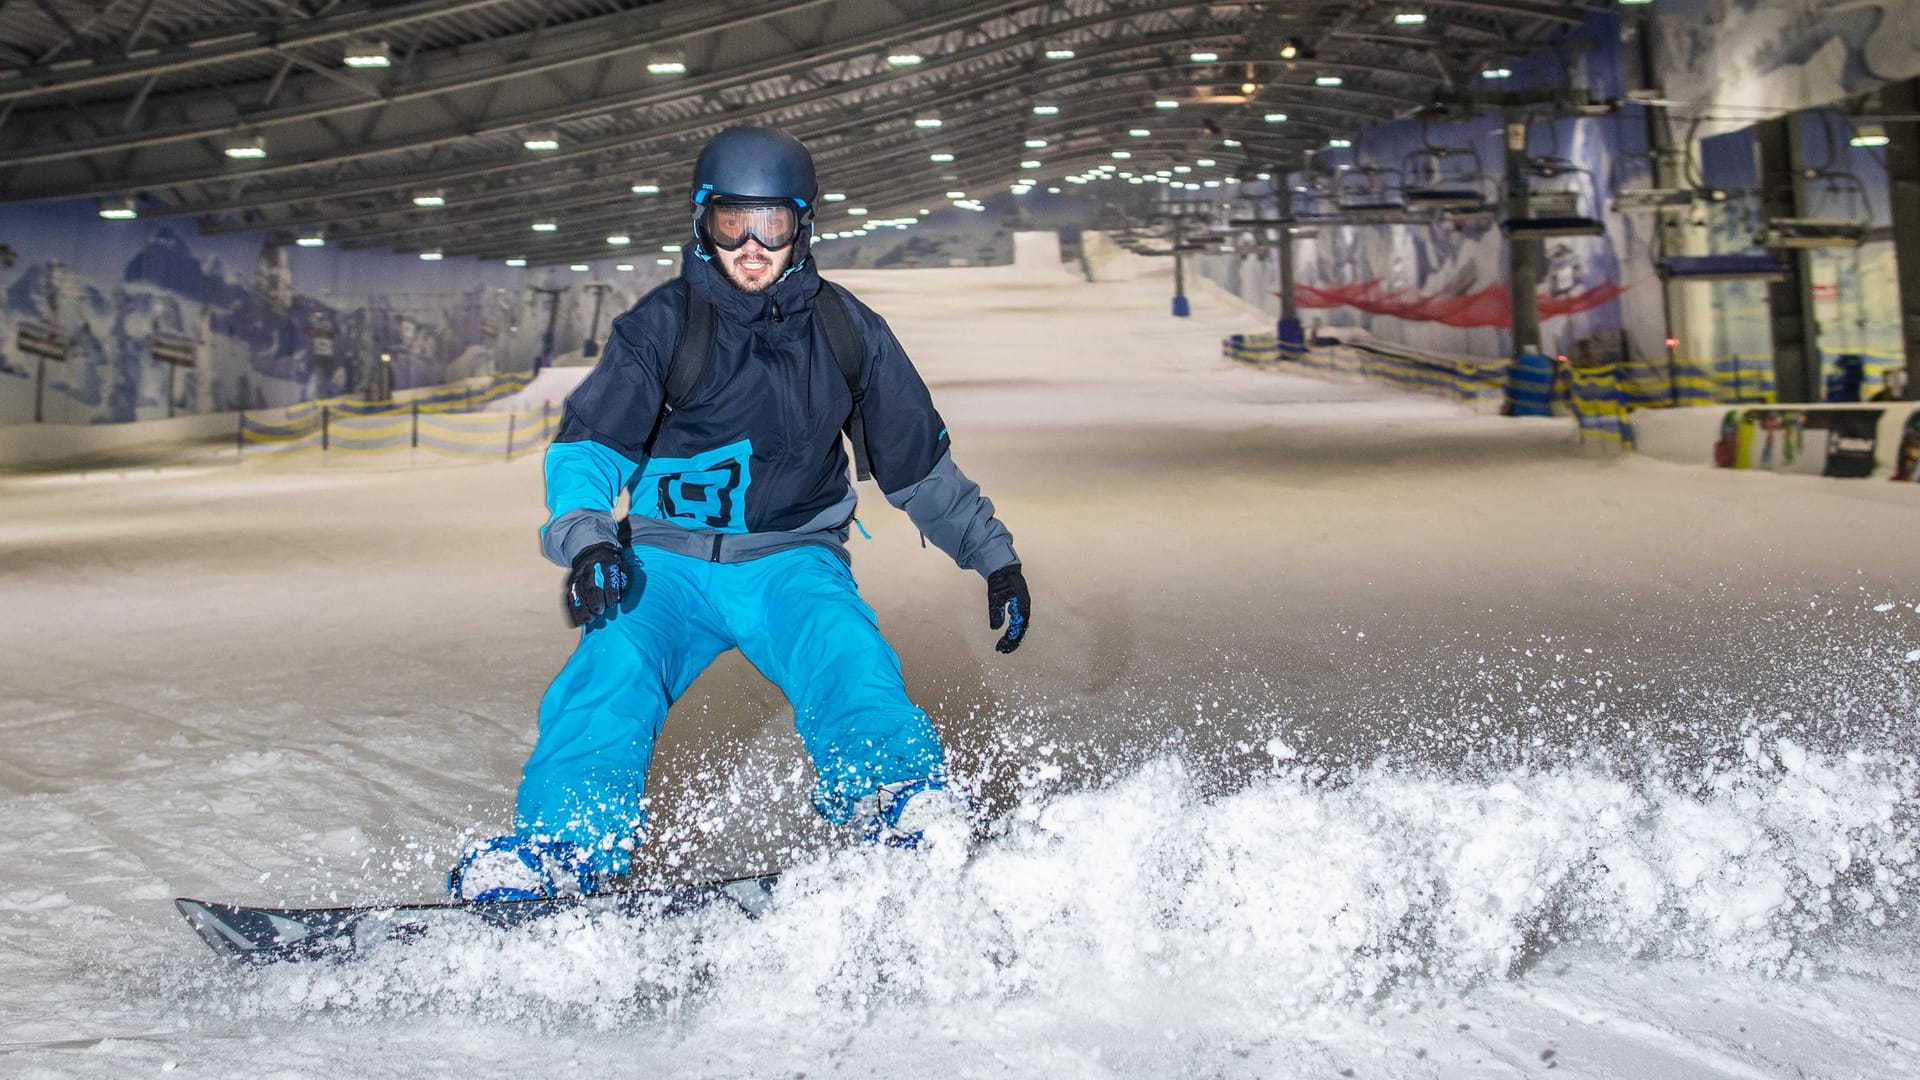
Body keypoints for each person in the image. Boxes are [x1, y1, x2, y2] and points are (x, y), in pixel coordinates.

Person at [449, 126, 1031, 902]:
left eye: (774, 224)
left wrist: (994, 556)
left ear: (804, 225)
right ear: (703, 220)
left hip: (791, 559)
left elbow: (917, 464)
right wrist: (589, 540)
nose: (753, 246)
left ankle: (896, 803)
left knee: (846, 654)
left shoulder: (847, 332)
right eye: (733, 223)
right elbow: (589, 449)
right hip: (665, 564)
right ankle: (564, 845)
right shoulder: (662, 326)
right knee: (609, 669)